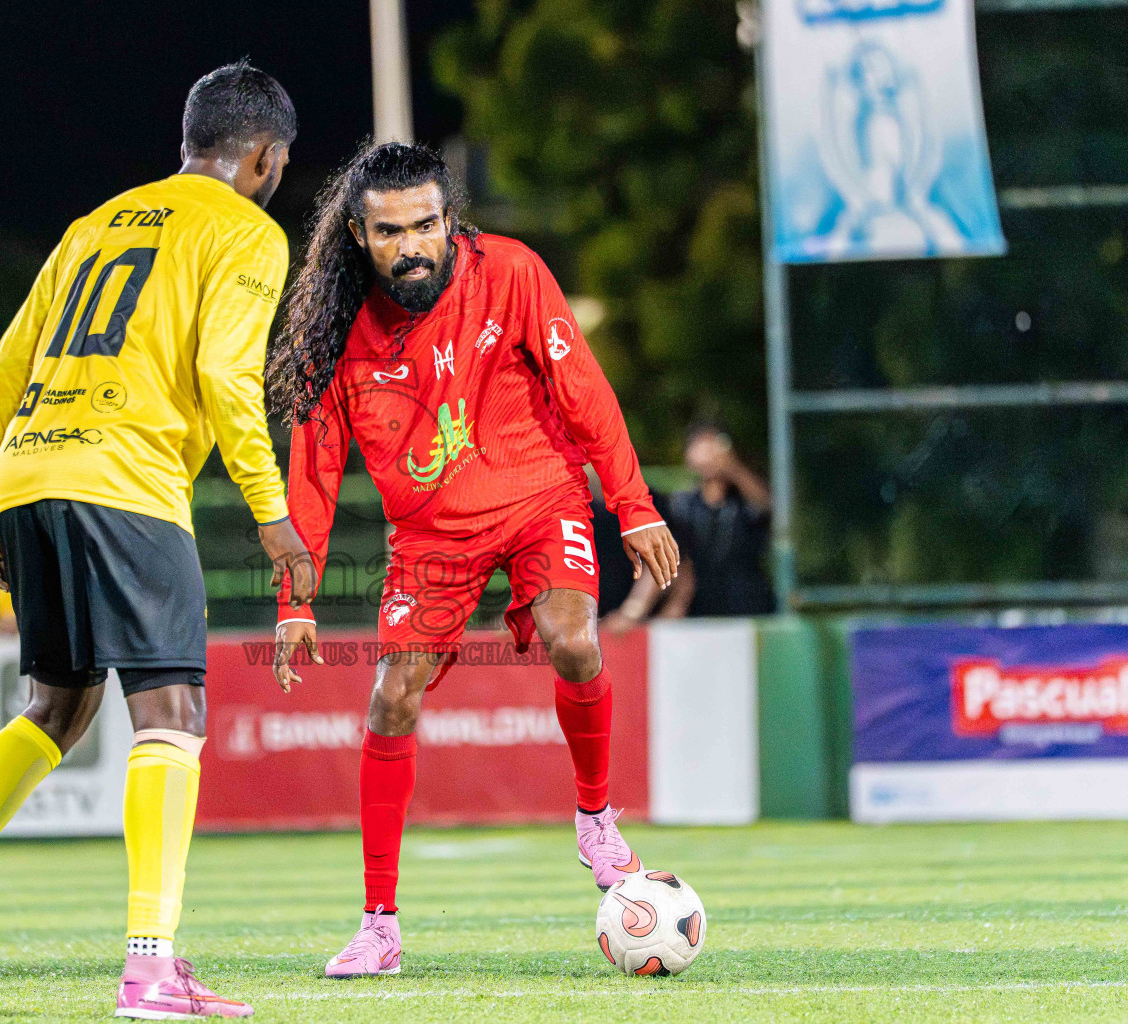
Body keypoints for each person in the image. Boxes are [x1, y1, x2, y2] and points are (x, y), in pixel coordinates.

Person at [0, 61, 314, 1020]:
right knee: (172, 717)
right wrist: (273, 516)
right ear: (266, 158)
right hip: (128, 481)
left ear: (188, 143)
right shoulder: (247, 232)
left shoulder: (94, 224)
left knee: (56, 711)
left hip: (33, 473)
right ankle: (151, 968)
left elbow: (3, 365)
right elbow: (227, 379)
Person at [263, 142, 680, 978]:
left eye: (427, 224)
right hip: (428, 538)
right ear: (357, 234)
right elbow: (309, 472)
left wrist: (631, 503)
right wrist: (295, 602)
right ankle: (379, 926)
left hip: (539, 496)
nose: (413, 244)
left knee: (574, 639)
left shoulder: (513, 272)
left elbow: (584, 390)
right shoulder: (334, 332)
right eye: (391, 232)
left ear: (448, 219)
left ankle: (595, 820)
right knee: (392, 696)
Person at [608, 424, 774, 624]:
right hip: (698, 614)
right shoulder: (681, 505)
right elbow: (667, 559)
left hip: (748, 610)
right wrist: (635, 610)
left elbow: (766, 506)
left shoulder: (742, 501)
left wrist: (732, 467)